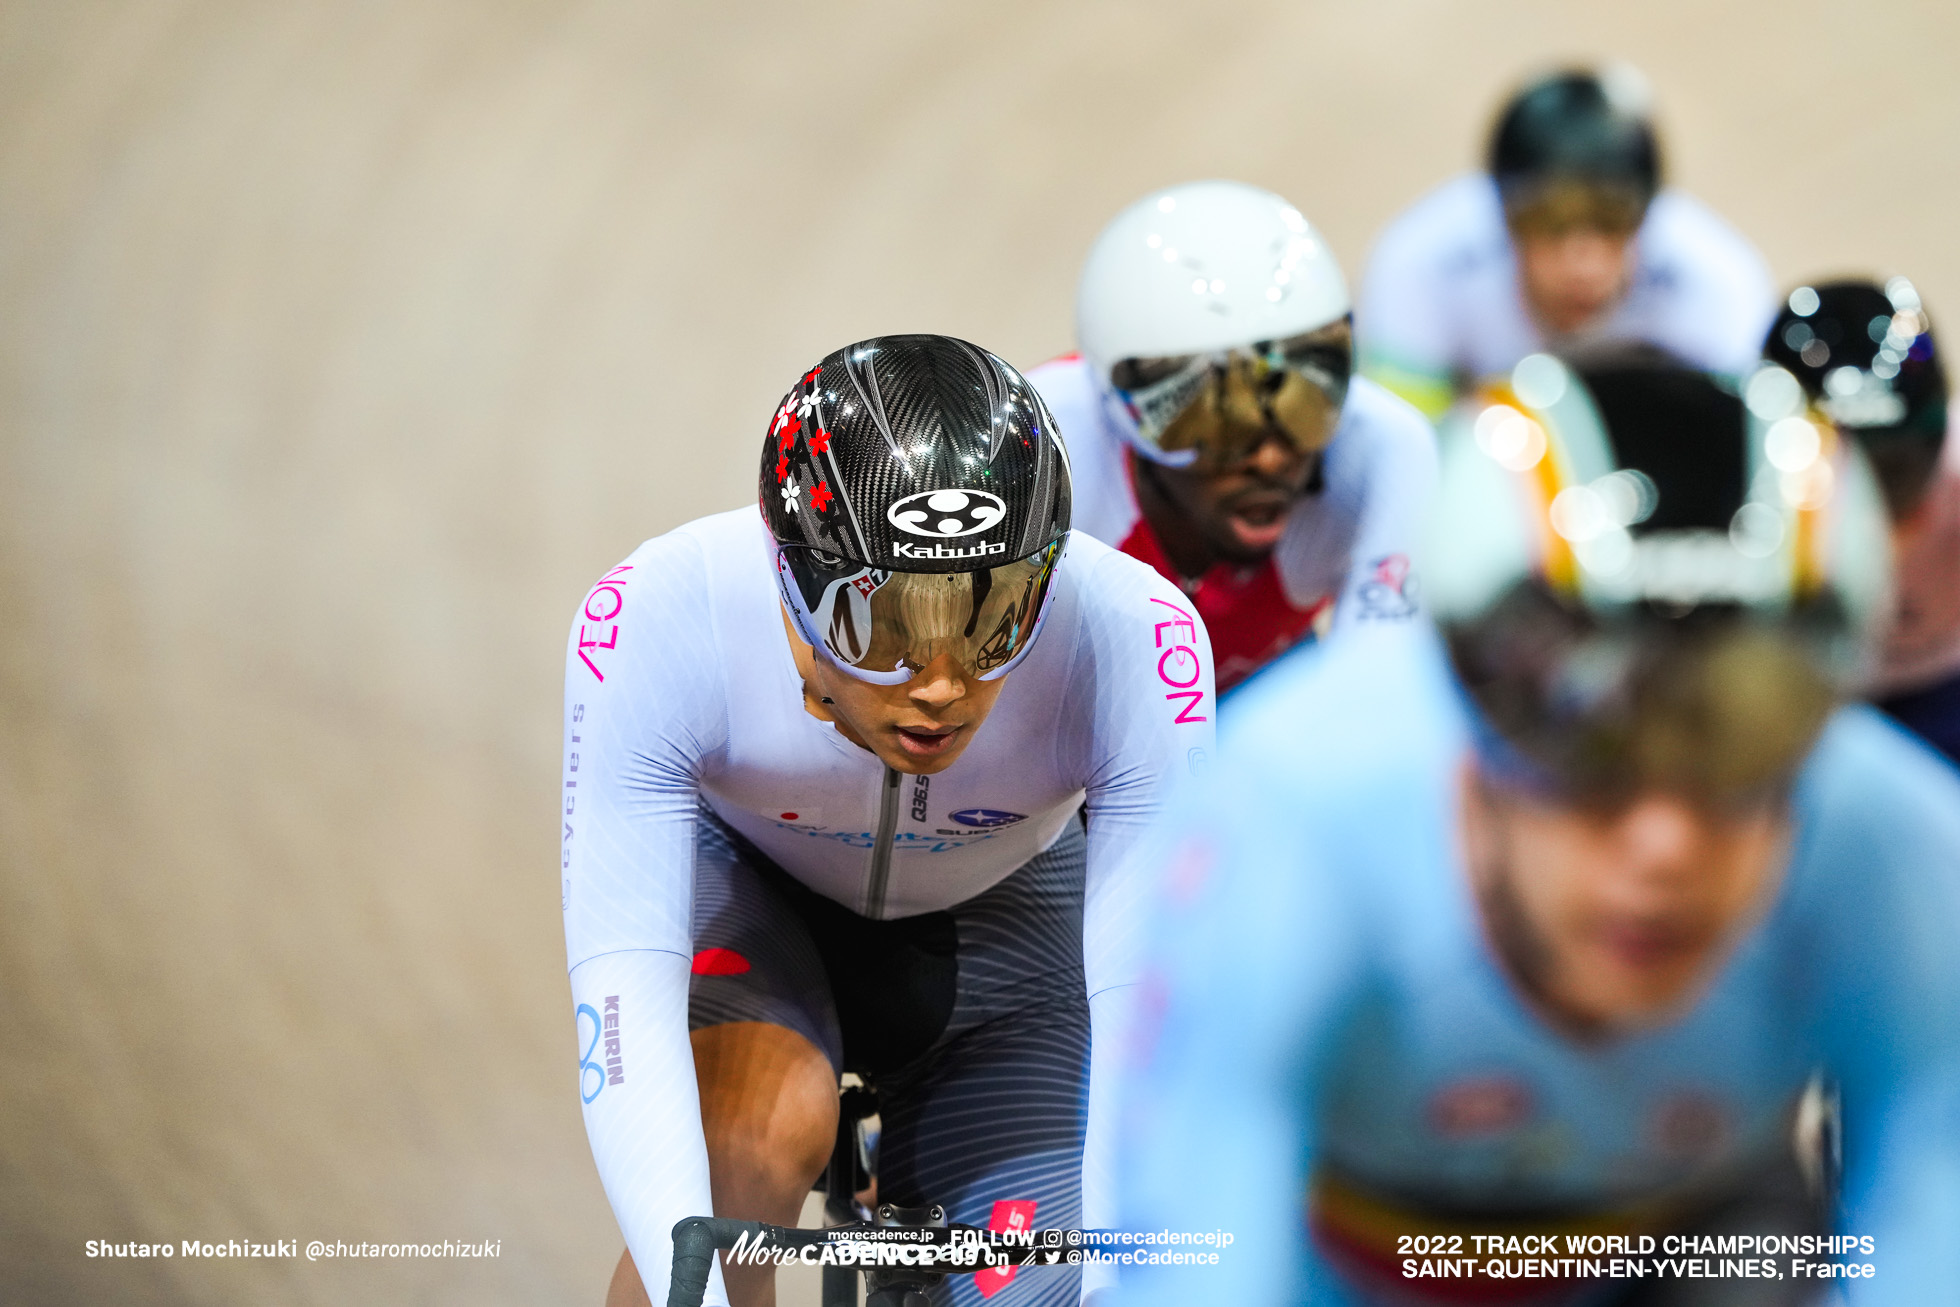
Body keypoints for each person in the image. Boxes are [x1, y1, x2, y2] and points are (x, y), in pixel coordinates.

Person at [1115, 348, 1960, 1306]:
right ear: (1467, 723)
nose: (1664, 844)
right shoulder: (1286, 824)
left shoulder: (1906, 850)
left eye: (1742, 739)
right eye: (1584, 744)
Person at [560, 335, 1215, 1307]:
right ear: (792, 575)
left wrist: (1117, 1271)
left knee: (1044, 1280)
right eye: (886, 628)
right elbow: (620, 990)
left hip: (1010, 941)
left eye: (994, 620)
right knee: (739, 1167)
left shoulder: (1132, 634)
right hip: (753, 906)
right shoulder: (665, 611)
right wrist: (679, 1279)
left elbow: (1146, 1000)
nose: (943, 684)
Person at [1027, 180, 1437, 696]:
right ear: (1119, 409)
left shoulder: (1383, 448)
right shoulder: (1039, 459)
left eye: (1304, 408)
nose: (1269, 458)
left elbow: (1380, 704)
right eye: (1217, 422)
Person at [1356, 66, 1775, 419]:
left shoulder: (1715, 280)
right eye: (1551, 225)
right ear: (1502, 220)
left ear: (1648, 218)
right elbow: (1412, 458)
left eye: (1612, 224)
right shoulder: (1423, 265)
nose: (1584, 265)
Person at [1763, 277, 1960, 764]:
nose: (1866, 517)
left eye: (1893, 474)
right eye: (1838, 476)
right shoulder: (1733, 497)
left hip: (1938, 686)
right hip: (1805, 693)